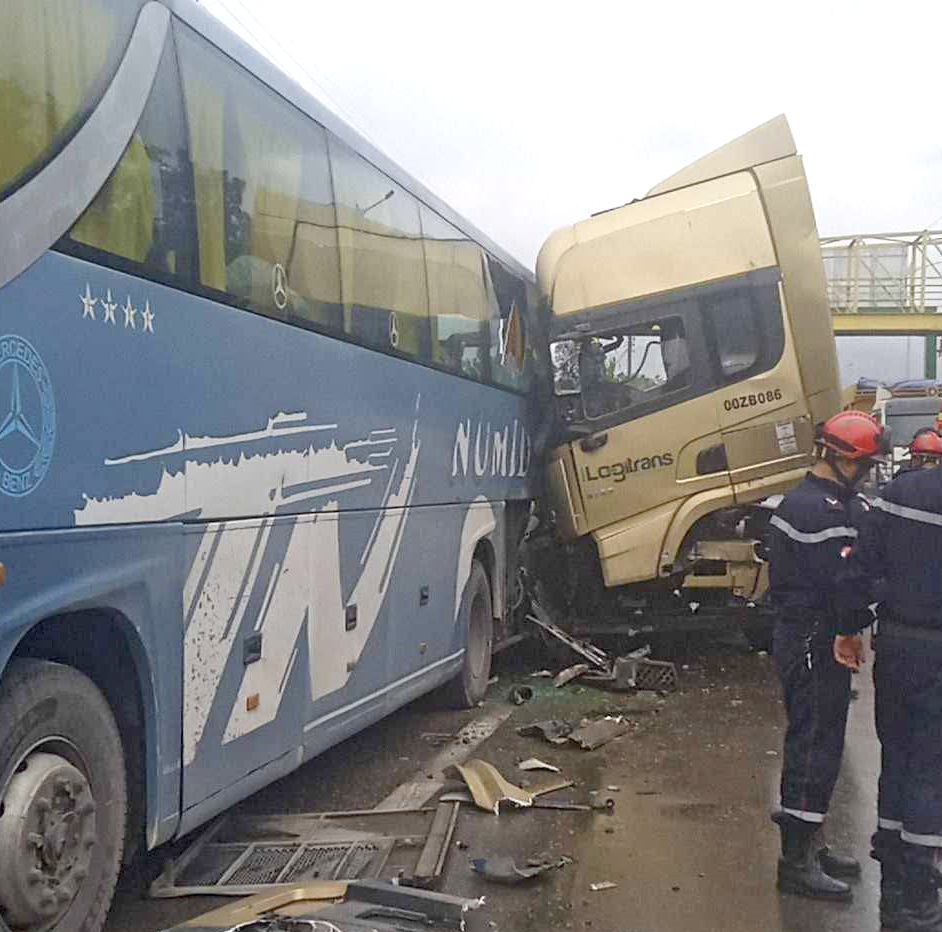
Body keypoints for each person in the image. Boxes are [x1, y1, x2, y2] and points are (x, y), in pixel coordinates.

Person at [767, 410, 888, 900]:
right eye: (865, 465)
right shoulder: (817, 511)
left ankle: (810, 843)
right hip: (813, 638)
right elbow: (840, 585)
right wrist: (850, 627)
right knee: (814, 745)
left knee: (824, 742)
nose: (868, 475)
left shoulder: (827, 502)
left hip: (812, 634)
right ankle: (795, 862)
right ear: (841, 460)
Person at [834, 456, 942, 931]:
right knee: (930, 767)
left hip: (897, 644)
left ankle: (894, 870)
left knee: (897, 754)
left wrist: (847, 627)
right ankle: (919, 894)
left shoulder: (899, 494)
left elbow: (861, 568)